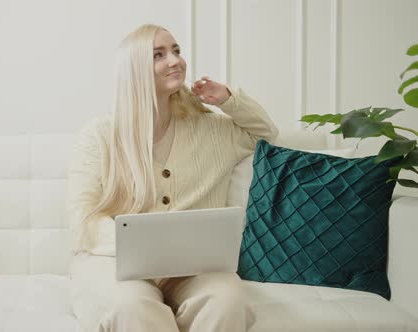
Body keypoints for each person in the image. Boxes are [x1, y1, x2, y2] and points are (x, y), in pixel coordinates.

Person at [66, 24, 278, 332]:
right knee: (132, 307)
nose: (175, 60)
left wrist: (228, 99)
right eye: (159, 55)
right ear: (136, 70)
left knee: (227, 300)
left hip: (192, 267)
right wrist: (141, 248)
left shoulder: (211, 130)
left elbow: (265, 133)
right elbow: (82, 217)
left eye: (176, 51)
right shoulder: (98, 135)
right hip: (113, 264)